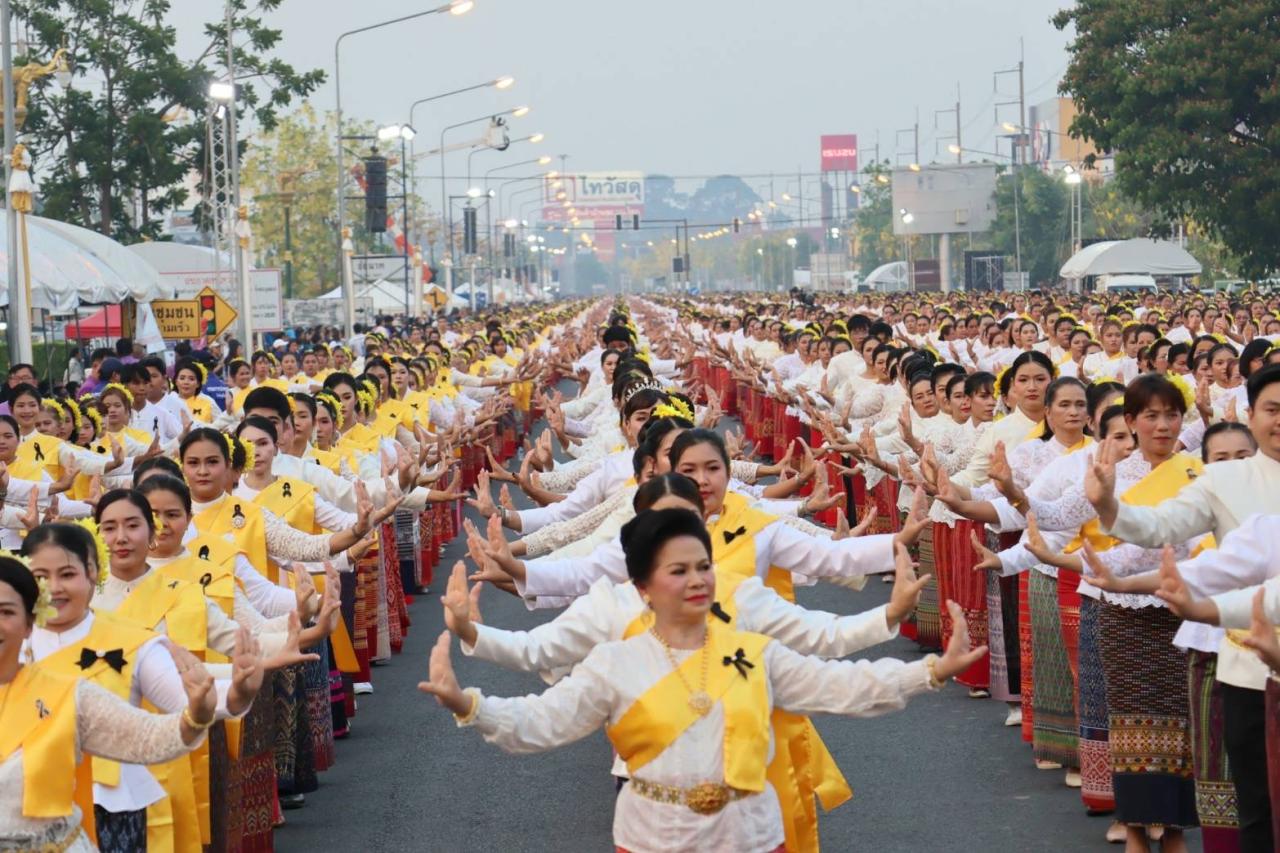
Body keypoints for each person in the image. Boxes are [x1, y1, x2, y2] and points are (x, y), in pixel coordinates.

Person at [420, 508, 986, 853]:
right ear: (641, 587)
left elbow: (845, 688)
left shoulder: (753, 655)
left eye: (703, 567)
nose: (697, 581)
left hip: (752, 833)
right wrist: (467, 703)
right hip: (650, 834)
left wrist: (930, 672)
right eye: (678, 571)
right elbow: (541, 722)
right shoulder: (616, 664)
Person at [0, 555, 214, 850]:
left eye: (5, 612)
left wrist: (197, 716)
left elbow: (148, 738)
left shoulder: (69, 695)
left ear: (29, 624)